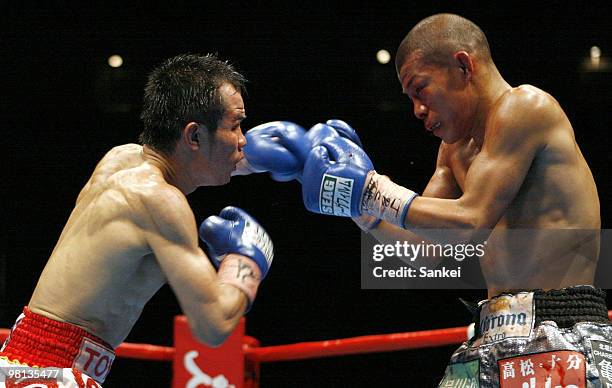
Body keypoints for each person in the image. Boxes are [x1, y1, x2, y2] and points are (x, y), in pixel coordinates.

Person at [242, 14, 611, 387]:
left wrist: (372, 190)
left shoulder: (526, 107)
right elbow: (424, 252)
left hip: (562, 327)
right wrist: (358, 208)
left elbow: (472, 219)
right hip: (492, 333)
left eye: (421, 89)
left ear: (463, 66)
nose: (417, 109)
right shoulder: (452, 150)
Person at [0, 53, 274, 386]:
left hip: (19, 360)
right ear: (193, 136)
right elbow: (213, 325)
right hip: (54, 374)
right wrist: (246, 263)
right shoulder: (159, 201)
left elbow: (189, 164)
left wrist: (258, 159)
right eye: (235, 126)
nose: (243, 139)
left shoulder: (120, 159)